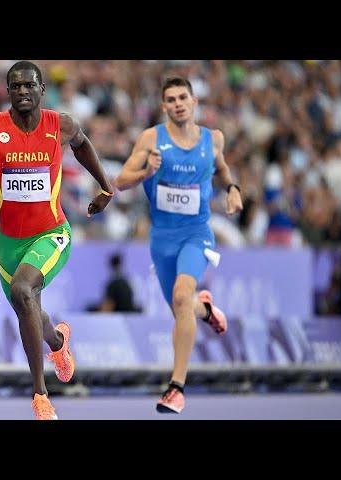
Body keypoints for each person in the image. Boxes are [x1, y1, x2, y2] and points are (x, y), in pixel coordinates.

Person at [0, 61, 113, 419]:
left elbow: (83, 145)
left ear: (42, 89)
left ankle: (40, 395)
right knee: (30, 309)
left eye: (29, 86)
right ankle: (58, 343)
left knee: (23, 291)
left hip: (52, 233)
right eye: (15, 87)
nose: (23, 92)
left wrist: (106, 187)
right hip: (8, 244)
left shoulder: (61, 124)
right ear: (7, 91)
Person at [115, 77, 243, 414]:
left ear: (194, 100)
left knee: (181, 296)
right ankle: (206, 310)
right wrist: (146, 171)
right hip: (162, 239)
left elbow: (222, 166)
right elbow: (120, 181)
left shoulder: (212, 139)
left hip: (196, 234)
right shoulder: (151, 139)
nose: (178, 104)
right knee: (183, 309)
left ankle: (176, 387)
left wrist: (232, 188)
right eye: (170, 100)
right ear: (164, 106)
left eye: (182, 97)